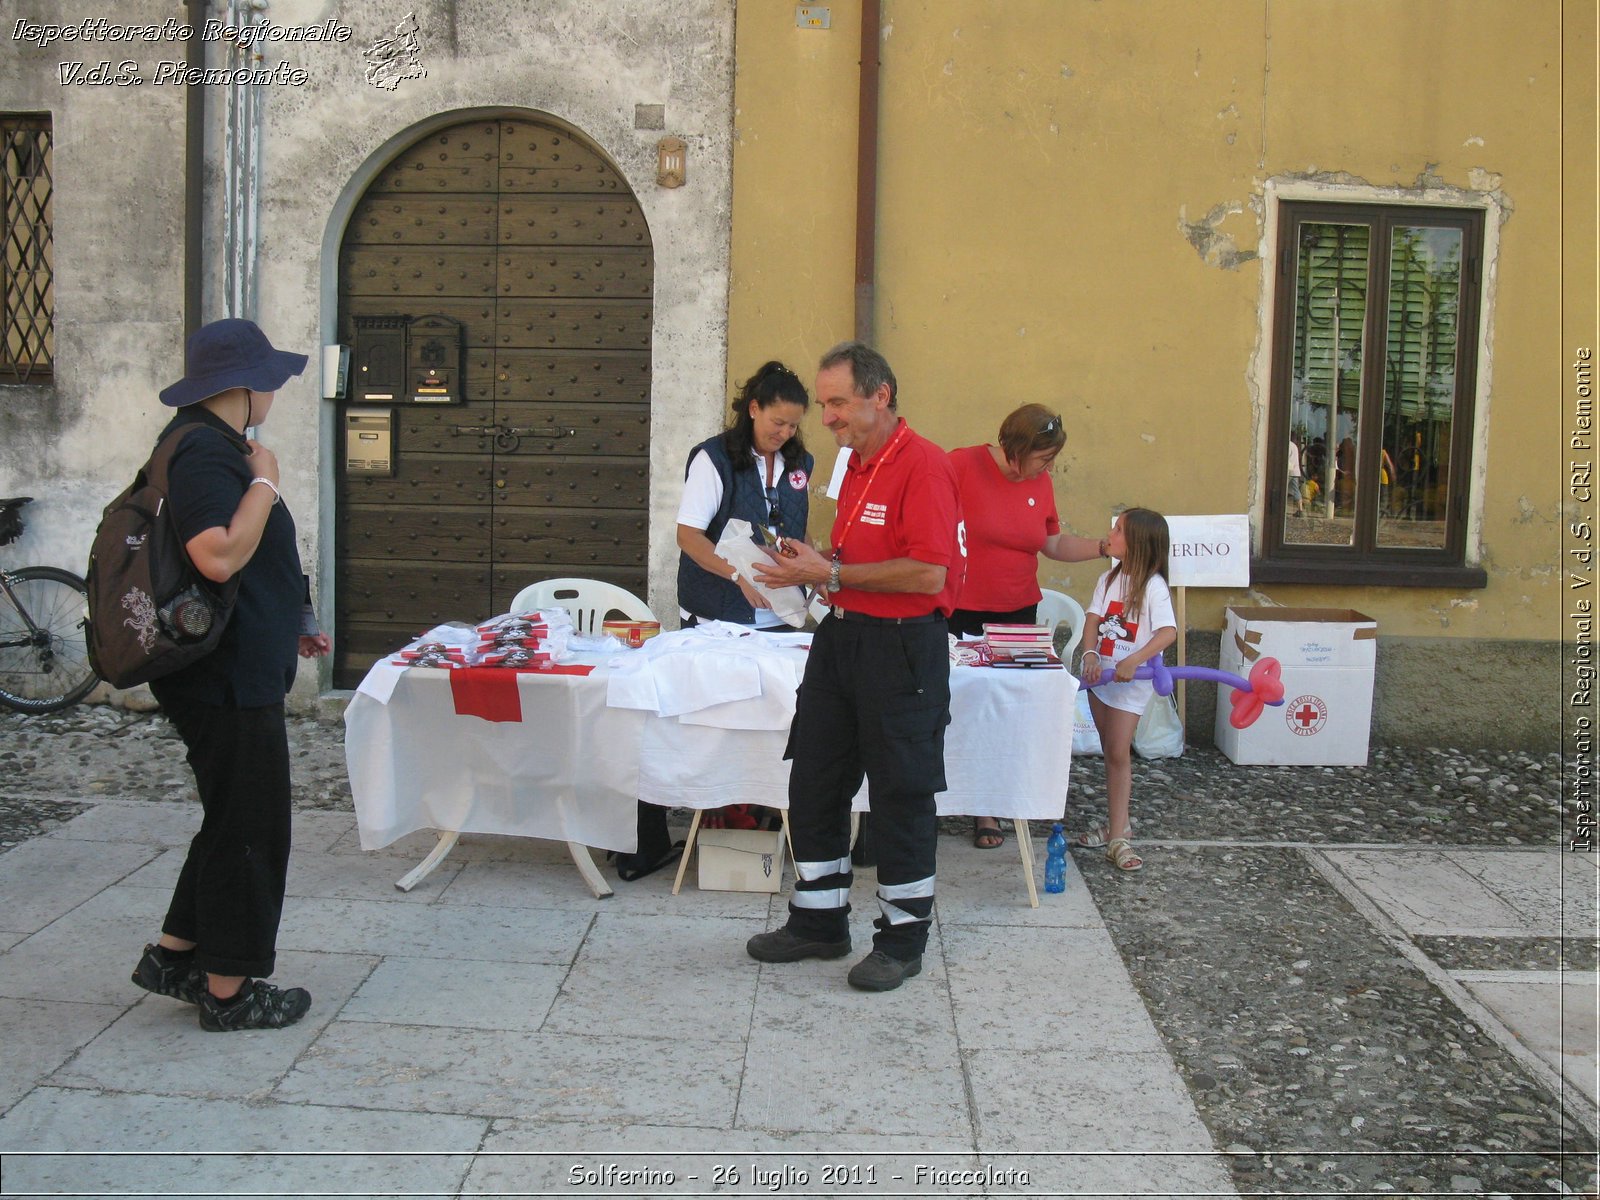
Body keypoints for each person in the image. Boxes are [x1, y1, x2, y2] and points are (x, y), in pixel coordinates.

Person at [129, 318, 331, 1031]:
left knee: (230, 817)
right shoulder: (205, 456)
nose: (275, 391)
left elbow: (258, 559)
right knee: (253, 828)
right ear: (242, 386)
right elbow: (216, 555)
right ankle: (228, 991)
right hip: (224, 675)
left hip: (236, 662)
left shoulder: (211, 446)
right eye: (268, 379)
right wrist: (267, 480)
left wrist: (295, 620)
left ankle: (173, 953)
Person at [745, 341, 963, 992]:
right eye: (826, 404)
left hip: (901, 647)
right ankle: (819, 922)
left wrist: (831, 571)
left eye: (839, 402)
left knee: (900, 794)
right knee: (814, 779)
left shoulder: (924, 465)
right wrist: (811, 568)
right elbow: (857, 559)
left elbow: (929, 572)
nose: (829, 417)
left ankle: (902, 941)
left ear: (880, 395)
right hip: (841, 638)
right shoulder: (855, 463)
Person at [946, 403, 1108, 849]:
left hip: (1018, 614)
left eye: (1052, 459)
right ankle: (940, 793)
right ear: (1014, 449)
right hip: (958, 612)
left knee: (1008, 712)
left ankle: (989, 809)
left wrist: (1102, 546)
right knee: (956, 705)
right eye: (1043, 458)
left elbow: (1052, 542)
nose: (1049, 467)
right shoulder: (960, 465)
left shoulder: (1040, 482)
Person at [1074, 508, 1176, 874]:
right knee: (1109, 752)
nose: (1110, 534)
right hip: (1101, 681)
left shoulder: (1154, 587)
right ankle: (1119, 823)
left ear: (1137, 543)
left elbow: (1167, 633)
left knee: (1119, 752)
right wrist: (1089, 653)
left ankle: (1119, 838)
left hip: (1132, 685)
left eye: (1118, 530)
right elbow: (1093, 619)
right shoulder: (1108, 578)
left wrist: (1135, 660)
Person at [675, 361, 812, 629]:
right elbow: (688, 536)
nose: (785, 433)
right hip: (718, 615)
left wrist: (814, 570)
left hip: (783, 614)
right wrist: (738, 575)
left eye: (793, 426)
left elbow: (797, 527)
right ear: (753, 409)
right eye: (778, 422)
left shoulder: (800, 462)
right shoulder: (713, 459)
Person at [1287, 435, 1304, 517]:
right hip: (1296, 471)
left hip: (1289, 471)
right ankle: (1300, 509)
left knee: (1283, 490)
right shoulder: (1295, 446)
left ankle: (1300, 510)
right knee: (1296, 490)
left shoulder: (1288, 445)